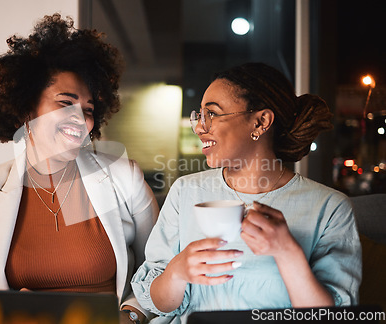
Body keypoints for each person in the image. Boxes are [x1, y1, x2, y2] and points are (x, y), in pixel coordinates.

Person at [0, 14, 158, 324]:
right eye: (65, 103)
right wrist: (9, 313)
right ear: (27, 108)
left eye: (88, 110)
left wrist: (131, 316)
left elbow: (159, 267)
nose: (82, 120)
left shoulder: (124, 177)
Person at [131, 62, 361, 323]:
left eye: (213, 114)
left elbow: (330, 318)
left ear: (261, 121)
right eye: (200, 116)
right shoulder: (186, 191)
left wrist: (288, 252)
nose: (199, 127)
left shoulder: (330, 208)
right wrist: (177, 272)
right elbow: (160, 304)